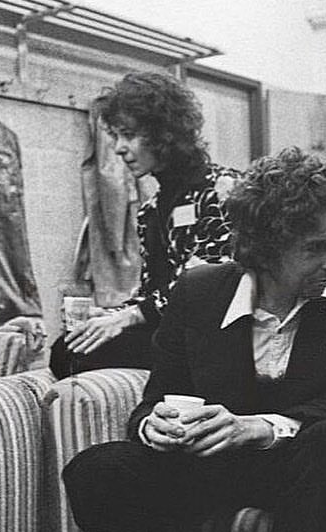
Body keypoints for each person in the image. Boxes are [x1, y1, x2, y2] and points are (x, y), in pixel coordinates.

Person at [62, 147, 326, 532]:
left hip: (294, 467)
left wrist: (257, 428)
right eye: (315, 248)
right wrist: (153, 426)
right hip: (208, 468)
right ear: (266, 248)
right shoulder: (198, 291)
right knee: (95, 469)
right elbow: (152, 401)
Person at [50, 71, 240, 377]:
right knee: (69, 348)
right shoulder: (150, 210)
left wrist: (129, 317)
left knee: (74, 354)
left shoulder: (222, 189)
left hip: (213, 339)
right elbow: (154, 290)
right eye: (116, 136)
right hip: (171, 335)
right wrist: (114, 314)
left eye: (128, 135)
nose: (119, 148)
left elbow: (209, 282)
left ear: (164, 132)